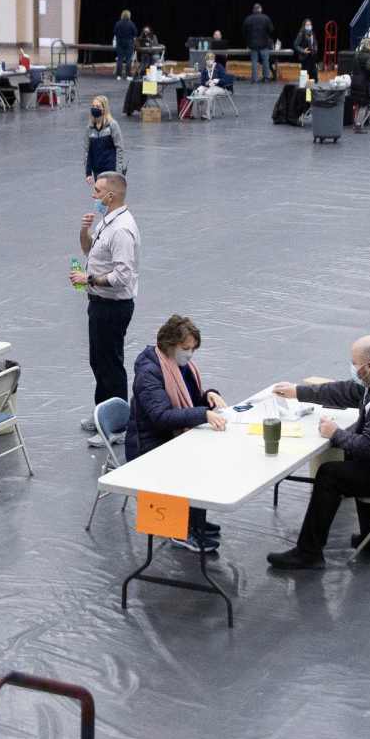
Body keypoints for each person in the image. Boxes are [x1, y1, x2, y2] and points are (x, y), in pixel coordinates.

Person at [265, 336, 370, 570]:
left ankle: (308, 552)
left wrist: (335, 433)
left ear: (368, 366)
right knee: (351, 459)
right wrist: (298, 391)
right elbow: (345, 391)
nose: (352, 367)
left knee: (330, 474)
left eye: (354, 363)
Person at [126, 314, 230, 552]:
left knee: (201, 456)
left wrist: (208, 396)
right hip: (149, 445)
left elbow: (189, 400)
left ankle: (194, 521)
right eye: (186, 348)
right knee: (192, 463)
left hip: (168, 437)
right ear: (170, 345)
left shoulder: (179, 366)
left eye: (193, 349)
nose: (190, 354)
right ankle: (181, 529)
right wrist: (203, 414)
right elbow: (161, 417)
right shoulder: (149, 372)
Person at [75, 171, 139, 440]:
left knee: (111, 365)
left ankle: (116, 425)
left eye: (98, 192)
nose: (94, 196)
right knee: (98, 362)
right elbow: (90, 252)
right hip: (99, 303)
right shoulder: (106, 222)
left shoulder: (122, 229)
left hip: (113, 307)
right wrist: (83, 231)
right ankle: (103, 412)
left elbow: (122, 276)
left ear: (110, 196)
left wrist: (88, 278)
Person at [84, 97, 123, 183]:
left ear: (104, 109)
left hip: (111, 171)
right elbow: (87, 151)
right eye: (93, 106)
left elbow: (119, 148)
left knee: (109, 195)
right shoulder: (89, 128)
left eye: (98, 107)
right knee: (100, 195)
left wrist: (119, 172)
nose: (95, 109)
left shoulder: (112, 125)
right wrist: (88, 172)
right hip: (97, 172)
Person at [241, 3, 276, 82]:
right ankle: (266, 78)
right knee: (265, 61)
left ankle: (254, 78)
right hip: (264, 44)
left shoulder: (248, 19)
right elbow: (271, 30)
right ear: (260, 9)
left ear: (253, 10)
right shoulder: (266, 18)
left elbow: (243, 31)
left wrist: (248, 40)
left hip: (252, 45)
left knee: (254, 62)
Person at [112, 10, 138, 76]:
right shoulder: (131, 24)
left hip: (120, 43)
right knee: (128, 59)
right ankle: (128, 75)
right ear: (129, 16)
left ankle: (118, 75)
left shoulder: (118, 23)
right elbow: (135, 33)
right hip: (129, 43)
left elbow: (114, 32)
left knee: (120, 59)